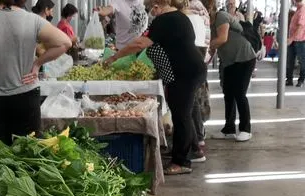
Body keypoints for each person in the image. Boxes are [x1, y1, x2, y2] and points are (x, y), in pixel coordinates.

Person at [103, 0, 206, 175]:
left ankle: (181, 162)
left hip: (184, 72)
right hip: (189, 70)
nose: (150, 12)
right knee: (183, 113)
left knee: (181, 115)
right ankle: (191, 151)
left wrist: (114, 57)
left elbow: (140, 44)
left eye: (150, 8)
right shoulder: (180, 17)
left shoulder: (165, 20)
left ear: (158, 5)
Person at [0, 0, 71, 162]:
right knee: (26, 158)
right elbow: (65, 42)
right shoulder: (32, 20)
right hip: (24, 97)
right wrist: (37, 64)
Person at [206, 0, 256, 142]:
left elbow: (222, 38)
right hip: (229, 61)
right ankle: (229, 129)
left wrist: (204, 46)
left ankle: (246, 129)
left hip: (244, 57)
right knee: (228, 94)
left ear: (209, 8)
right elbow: (214, 47)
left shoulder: (221, 16)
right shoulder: (207, 23)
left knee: (239, 93)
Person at [183, 0, 211, 162]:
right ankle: (198, 138)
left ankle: (194, 146)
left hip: (192, 58)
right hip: (200, 57)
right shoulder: (201, 12)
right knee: (193, 102)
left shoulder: (190, 15)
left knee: (187, 105)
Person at [287, 0, 305, 87]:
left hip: (300, 40)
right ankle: (289, 79)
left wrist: (291, 38)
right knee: (290, 60)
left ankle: (301, 80)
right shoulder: (298, 10)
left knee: (302, 61)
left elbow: (300, 27)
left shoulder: (302, 10)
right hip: (294, 40)